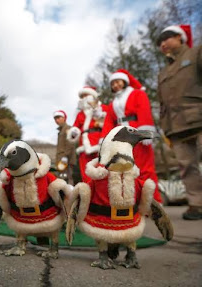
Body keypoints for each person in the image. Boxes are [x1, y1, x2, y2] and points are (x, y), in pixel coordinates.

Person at [157, 24, 202, 220]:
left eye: (166, 38)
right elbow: (162, 102)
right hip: (175, 126)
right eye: (159, 42)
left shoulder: (195, 54)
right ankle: (196, 204)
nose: (163, 44)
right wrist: (164, 127)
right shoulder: (163, 73)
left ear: (179, 37)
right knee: (186, 166)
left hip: (198, 117)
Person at [101, 69, 162, 203]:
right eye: (113, 84)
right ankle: (133, 200)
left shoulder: (137, 94)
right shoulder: (113, 103)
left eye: (117, 82)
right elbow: (109, 121)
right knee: (125, 167)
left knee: (145, 167)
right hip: (120, 137)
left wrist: (144, 131)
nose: (115, 85)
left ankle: (153, 201)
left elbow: (144, 110)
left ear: (124, 81)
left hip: (136, 131)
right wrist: (106, 139)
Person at [67, 86, 108, 182]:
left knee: (101, 169)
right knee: (86, 172)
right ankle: (88, 194)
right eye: (82, 96)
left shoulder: (102, 108)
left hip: (99, 141)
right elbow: (76, 127)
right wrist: (73, 132)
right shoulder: (80, 114)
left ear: (93, 96)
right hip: (84, 145)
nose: (84, 98)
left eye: (86, 95)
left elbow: (108, 123)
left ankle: (101, 194)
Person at [54, 110, 77, 185]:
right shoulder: (60, 131)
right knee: (62, 179)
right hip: (61, 159)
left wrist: (65, 157)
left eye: (58, 117)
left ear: (64, 118)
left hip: (67, 159)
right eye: (55, 118)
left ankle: (70, 196)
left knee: (68, 178)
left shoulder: (69, 129)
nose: (56, 120)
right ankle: (65, 196)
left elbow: (71, 144)